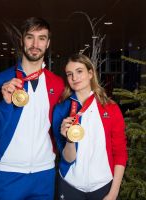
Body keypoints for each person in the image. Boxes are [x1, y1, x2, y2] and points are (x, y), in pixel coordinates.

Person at [0, 17, 64, 200]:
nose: (35, 44)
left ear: (48, 43)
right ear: (22, 41)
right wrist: (6, 103)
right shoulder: (1, 81)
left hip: (44, 174)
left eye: (42, 38)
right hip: (8, 175)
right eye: (30, 37)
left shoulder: (57, 84)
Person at [52, 54, 128, 200]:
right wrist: (69, 140)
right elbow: (67, 159)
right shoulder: (61, 110)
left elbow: (120, 152)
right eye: (70, 74)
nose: (75, 78)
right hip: (70, 184)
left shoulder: (110, 108)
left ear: (90, 73)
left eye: (79, 71)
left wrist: (113, 193)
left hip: (104, 185)